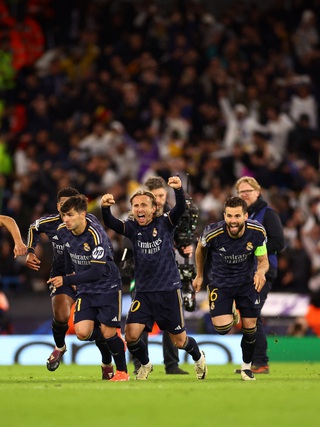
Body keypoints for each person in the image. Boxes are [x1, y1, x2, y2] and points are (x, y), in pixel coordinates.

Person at [101, 176, 207, 380]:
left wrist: (178, 190)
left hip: (168, 290)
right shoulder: (132, 228)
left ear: (153, 208)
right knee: (131, 336)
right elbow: (112, 223)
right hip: (144, 292)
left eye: (144, 205)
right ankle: (146, 364)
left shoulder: (165, 223)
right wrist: (106, 208)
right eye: (136, 205)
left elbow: (179, 209)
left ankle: (198, 356)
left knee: (180, 341)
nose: (139, 209)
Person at [26, 187, 114, 380]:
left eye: (70, 205)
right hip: (61, 276)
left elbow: (103, 251)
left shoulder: (88, 225)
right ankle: (60, 346)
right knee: (61, 314)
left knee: (95, 328)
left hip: (88, 277)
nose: (65, 210)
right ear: (58, 205)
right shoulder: (52, 224)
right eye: (62, 205)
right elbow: (33, 227)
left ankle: (106, 361)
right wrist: (30, 251)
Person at [47, 194, 129, 381]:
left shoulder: (96, 235)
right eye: (64, 215)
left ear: (83, 215)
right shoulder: (62, 230)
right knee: (82, 333)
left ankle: (123, 372)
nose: (66, 219)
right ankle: (114, 339)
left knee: (108, 333)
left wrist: (66, 280)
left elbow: (96, 273)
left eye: (70, 215)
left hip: (107, 286)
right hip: (85, 288)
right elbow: (68, 253)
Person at [193, 196, 269, 381]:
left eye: (237, 216)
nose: (233, 220)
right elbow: (200, 250)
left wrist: (261, 273)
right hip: (220, 283)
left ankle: (246, 368)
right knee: (222, 328)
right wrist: (200, 275)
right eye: (229, 216)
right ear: (224, 216)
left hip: (247, 284)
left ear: (245, 216)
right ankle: (232, 310)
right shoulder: (213, 232)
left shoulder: (257, 232)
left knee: (250, 328)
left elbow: (263, 260)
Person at [129, 176, 191, 375]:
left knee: (170, 322)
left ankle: (171, 365)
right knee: (140, 322)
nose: (159, 200)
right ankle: (140, 363)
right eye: (155, 196)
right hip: (139, 277)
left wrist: (184, 246)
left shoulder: (171, 216)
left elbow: (183, 237)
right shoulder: (134, 217)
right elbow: (124, 243)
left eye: (162, 196)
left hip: (167, 274)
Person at [235, 176, 285, 374]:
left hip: (263, 271)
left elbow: (279, 242)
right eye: (241, 192)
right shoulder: (242, 214)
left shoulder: (268, 213)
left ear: (258, 192)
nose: (244, 195)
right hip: (245, 271)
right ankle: (256, 362)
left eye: (248, 191)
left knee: (252, 314)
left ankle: (261, 362)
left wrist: (253, 250)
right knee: (249, 314)